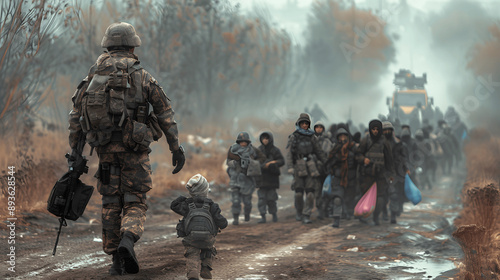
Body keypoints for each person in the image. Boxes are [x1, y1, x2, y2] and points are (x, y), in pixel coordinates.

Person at [67, 22, 185, 275]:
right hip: (136, 150)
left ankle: (114, 262)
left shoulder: (92, 77)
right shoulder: (142, 76)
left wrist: (76, 151)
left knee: (111, 201)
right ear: (132, 46)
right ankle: (128, 240)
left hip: (104, 149)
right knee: (136, 200)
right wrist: (175, 147)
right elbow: (165, 113)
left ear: (108, 46)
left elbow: (76, 117)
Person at [171, 174, 228, 280]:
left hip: (191, 237)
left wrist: (184, 197)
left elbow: (173, 205)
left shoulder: (187, 205)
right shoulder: (212, 206)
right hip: (207, 238)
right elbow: (222, 223)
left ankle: (193, 273)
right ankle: (206, 268)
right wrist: (223, 223)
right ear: (206, 191)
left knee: (191, 253)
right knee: (209, 248)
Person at [286, 113, 327, 224]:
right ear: (299, 123)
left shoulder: (312, 137)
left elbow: (319, 151)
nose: (304, 125)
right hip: (298, 166)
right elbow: (289, 153)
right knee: (299, 193)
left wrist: (326, 163)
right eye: (302, 123)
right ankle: (299, 212)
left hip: (310, 166)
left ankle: (306, 214)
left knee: (310, 193)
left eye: (306, 123)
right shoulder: (294, 137)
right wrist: (290, 167)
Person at [356, 119, 394, 225]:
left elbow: (389, 160)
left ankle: (376, 217)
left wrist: (390, 174)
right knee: (366, 196)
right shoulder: (365, 140)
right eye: (373, 129)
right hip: (367, 174)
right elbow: (357, 155)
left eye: (377, 129)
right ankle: (363, 216)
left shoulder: (384, 142)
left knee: (380, 197)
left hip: (380, 174)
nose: (375, 131)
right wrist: (363, 159)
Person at [226, 132, 266, 225]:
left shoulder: (252, 149)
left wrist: (253, 163)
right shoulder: (233, 149)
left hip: (248, 179)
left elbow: (262, 158)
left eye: (245, 142)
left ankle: (247, 214)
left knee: (247, 201)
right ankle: (235, 218)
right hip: (235, 178)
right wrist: (236, 162)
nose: (243, 143)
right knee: (235, 201)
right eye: (241, 142)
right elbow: (228, 162)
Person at [326, 127, 359, 227]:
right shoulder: (334, 149)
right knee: (337, 199)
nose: (343, 138)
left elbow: (358, 161)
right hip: (338, 178)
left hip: (351, 178)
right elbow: (329, 164)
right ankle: (336, 219)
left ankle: (348, 213)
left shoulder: (354, 148)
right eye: (340, 136)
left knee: (349, 198)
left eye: (344, 136)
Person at [382, 121, 409, 224]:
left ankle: (393, 215)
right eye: (385, 130)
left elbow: (403, 157)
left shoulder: (399, 143)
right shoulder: (379, 144)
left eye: (389, 130)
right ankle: (384, 212)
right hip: (382, 172)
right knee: (383, 196)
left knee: (394, 194)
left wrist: (406, 168)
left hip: (395, 173)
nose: (387, 132)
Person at [257, 132, 285, 223]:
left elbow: (282, 161)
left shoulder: (275, 150)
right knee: (261, 200)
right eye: (263, 139)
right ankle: (262, 217)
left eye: (267, 138)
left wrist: (272, 163)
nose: (265, 140)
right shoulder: (258, 150)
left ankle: (274, 215)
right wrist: (263, 165)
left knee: (271, 199)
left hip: (272, 179)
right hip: (261, 179)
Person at [313, 121, 333, 220]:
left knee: (327, 192)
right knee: (317, 192)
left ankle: (326, 210)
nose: (319, 129)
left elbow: (330, 155)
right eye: (317, 127)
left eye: (321, 127)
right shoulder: (312, 141)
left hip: (325, 170)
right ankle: (320, 210)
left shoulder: (328, 142)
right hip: (315, 170)